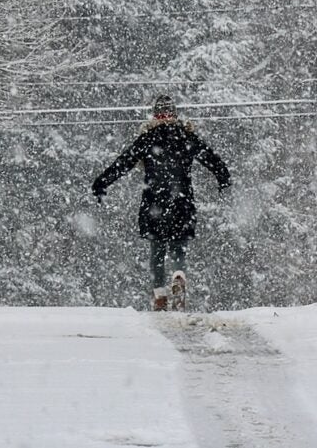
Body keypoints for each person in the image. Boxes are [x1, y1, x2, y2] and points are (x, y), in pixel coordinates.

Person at [92, 94, 231, 311]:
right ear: (174, 115)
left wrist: (101, 183)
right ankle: (179, 276)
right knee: (178, 249)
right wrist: (223, 178)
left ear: (155, 115)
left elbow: (123, 163)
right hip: (182, 202)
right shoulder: (187, 137)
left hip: (154, 203)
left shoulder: (147, 138)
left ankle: (160, 296)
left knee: (157, 251)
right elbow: (211, 159)